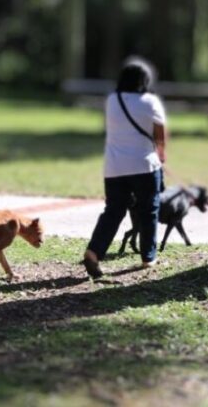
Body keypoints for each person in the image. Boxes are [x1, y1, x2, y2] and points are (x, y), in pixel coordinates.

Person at [83, 57, 167, 278]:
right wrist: (162, 155)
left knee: (113, 210)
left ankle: (94, 251)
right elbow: (159, 135)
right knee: (149, 210)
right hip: (144, 165)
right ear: (145, 81)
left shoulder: (112, 100)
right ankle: (148, 256)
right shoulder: (150, 101)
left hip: (114, 167)